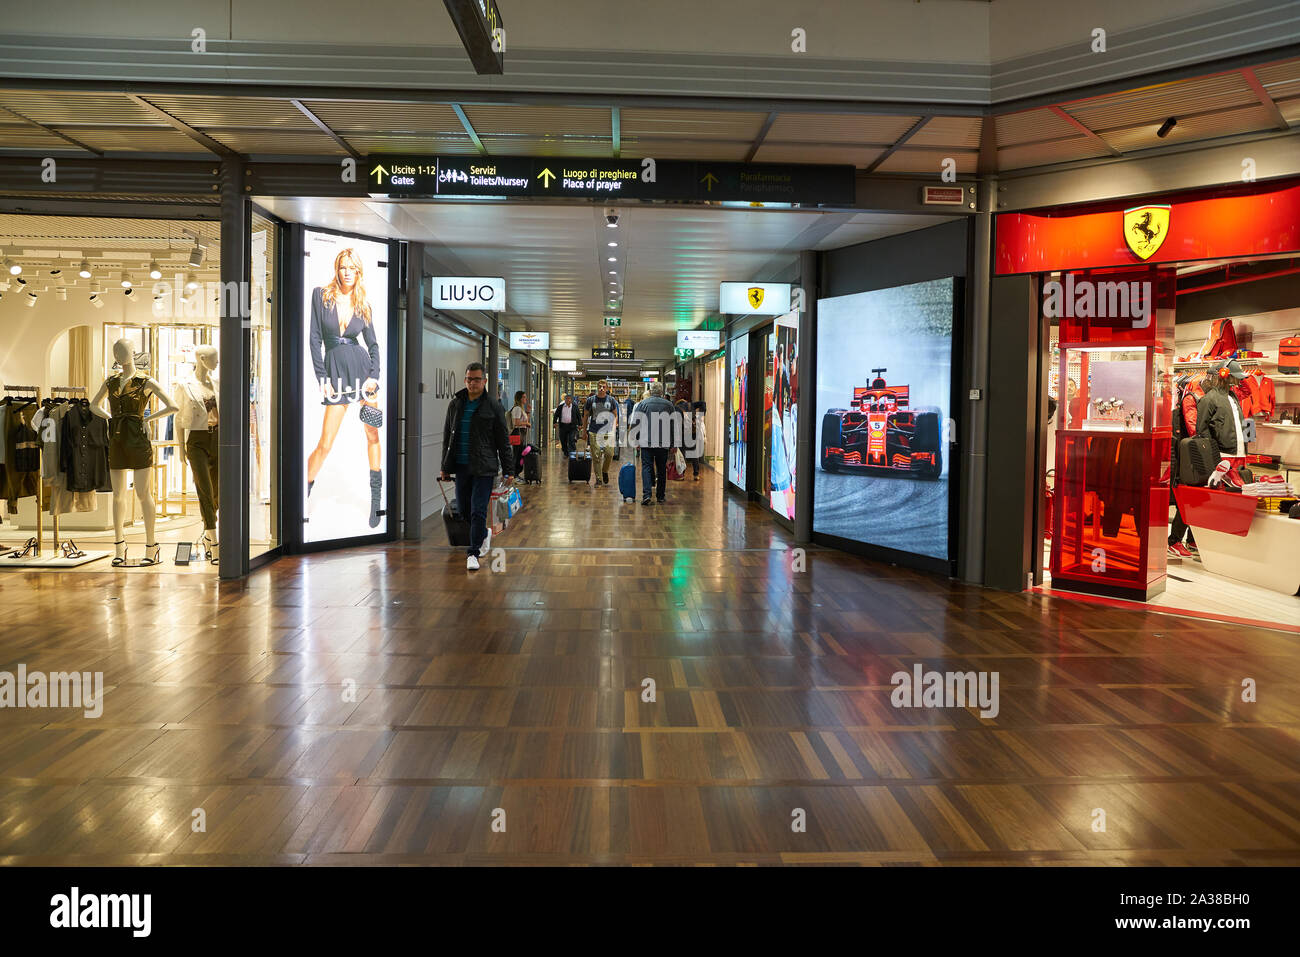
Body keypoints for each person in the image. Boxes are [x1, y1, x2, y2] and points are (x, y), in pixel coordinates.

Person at [306, 247, 384, 527]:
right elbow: (315, 339)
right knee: (325, 442)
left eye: (352, 268)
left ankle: (376, 501)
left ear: (359, 271)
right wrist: (322, 378)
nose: (348, 272)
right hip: (335, 372)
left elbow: (373, 345)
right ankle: (305, 490)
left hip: (364, 374)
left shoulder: (363, 304)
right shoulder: (321, 295)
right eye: (343, 267)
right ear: (336, 269)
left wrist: (374, 375)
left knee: (372, 435)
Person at [440, 362, 514, 571]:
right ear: (465, 380)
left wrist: (509, 469)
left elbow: (503, 441)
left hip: (484, 467)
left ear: (484, 381)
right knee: (463, 509)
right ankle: (483, 534)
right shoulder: (456, 404)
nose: (472, 383)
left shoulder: (493, 406)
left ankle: (472, 552)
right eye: (469, 379)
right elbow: (448, 437)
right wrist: (445, 466)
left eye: (476, 379)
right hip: (462, 466)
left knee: (478, 509)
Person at [631, 382, 677, 505]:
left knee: (646, 467)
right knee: (661, 469)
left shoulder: (643, 404)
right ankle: (660, 496)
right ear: (661, 392)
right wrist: (674, 444)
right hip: (663, 443)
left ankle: (647, 495)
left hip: (647, 442)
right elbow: (674, 426)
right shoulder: (669, 405)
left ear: (651, 391)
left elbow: (636, 422)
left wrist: (636, 439)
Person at [583, 380, 620, 486]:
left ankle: (604, 471)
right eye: (599, 386)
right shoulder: (590, 400)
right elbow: (585, 416)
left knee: (609, 454)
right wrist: (584, 431)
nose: (601, 388)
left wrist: (613, 429)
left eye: (603, 387)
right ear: (596, 387)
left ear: (607, 388)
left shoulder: (611, 400)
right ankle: (598, 479)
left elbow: (615, 415)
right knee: (596, 455)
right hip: (594, 431)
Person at [508, 390, 531, 476]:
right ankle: (514, 474)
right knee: (517, 454)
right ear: (520, 398)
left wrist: (528, 412)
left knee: (519, 453)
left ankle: (516, 473)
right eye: (524, 397)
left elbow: (525, 421)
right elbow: (516, 423)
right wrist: (526, 423)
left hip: (521, 433)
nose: (526, 399)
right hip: (517, 433)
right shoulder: (517, 408)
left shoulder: (521, 409)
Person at [689, 400, 707, 480]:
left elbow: (703, 403)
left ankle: (681, 474)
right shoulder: (690, 405)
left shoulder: (689, 406)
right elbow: (703, 403)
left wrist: (701, 416)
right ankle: (696, 474)